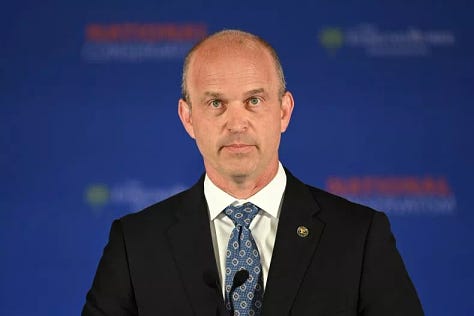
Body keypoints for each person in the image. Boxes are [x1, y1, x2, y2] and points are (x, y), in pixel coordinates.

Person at [82, 29, 424, 316]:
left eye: (254, 101)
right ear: (188, 118)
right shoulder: (136, 244)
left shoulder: (359, 237)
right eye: (216, 103)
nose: (236, 123)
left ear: (284, 112)